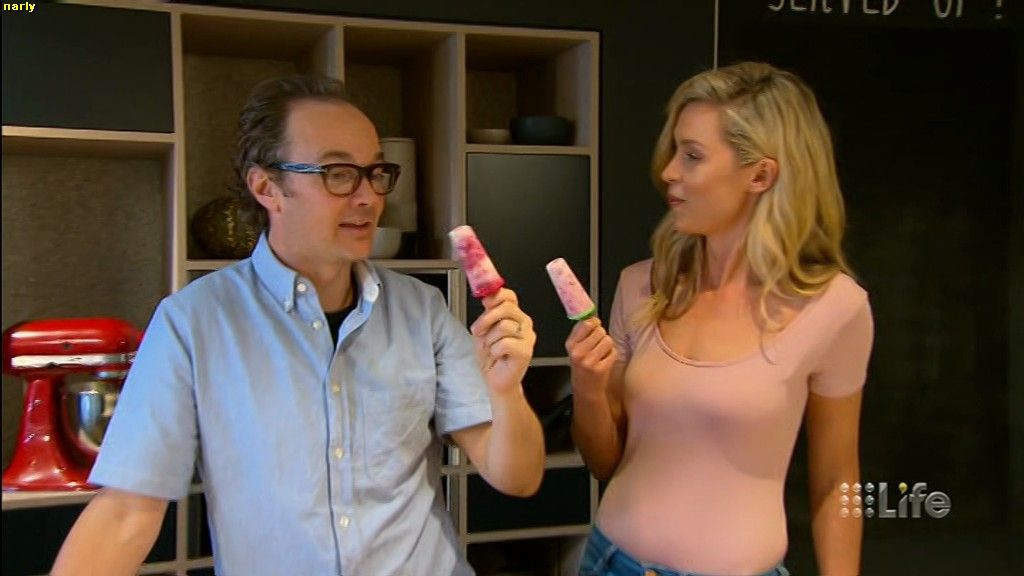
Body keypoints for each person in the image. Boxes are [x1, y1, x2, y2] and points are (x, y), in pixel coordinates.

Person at [52, 74, 545, 576]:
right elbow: (126, 513)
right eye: (338, 173)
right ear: (267, 187)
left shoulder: (423, 311)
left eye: (375, 173)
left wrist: (506, 393)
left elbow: (518, 478)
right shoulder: (193, 322)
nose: (368, 197)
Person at [567, 62, 873, 576]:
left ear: (760, 175)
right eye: (674, 151)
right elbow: (605, 463)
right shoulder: (641, 286)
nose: (668, 171)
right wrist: (587, 387)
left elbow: (836, 483)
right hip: (610, 563)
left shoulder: (836, 308)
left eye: (692, 155)